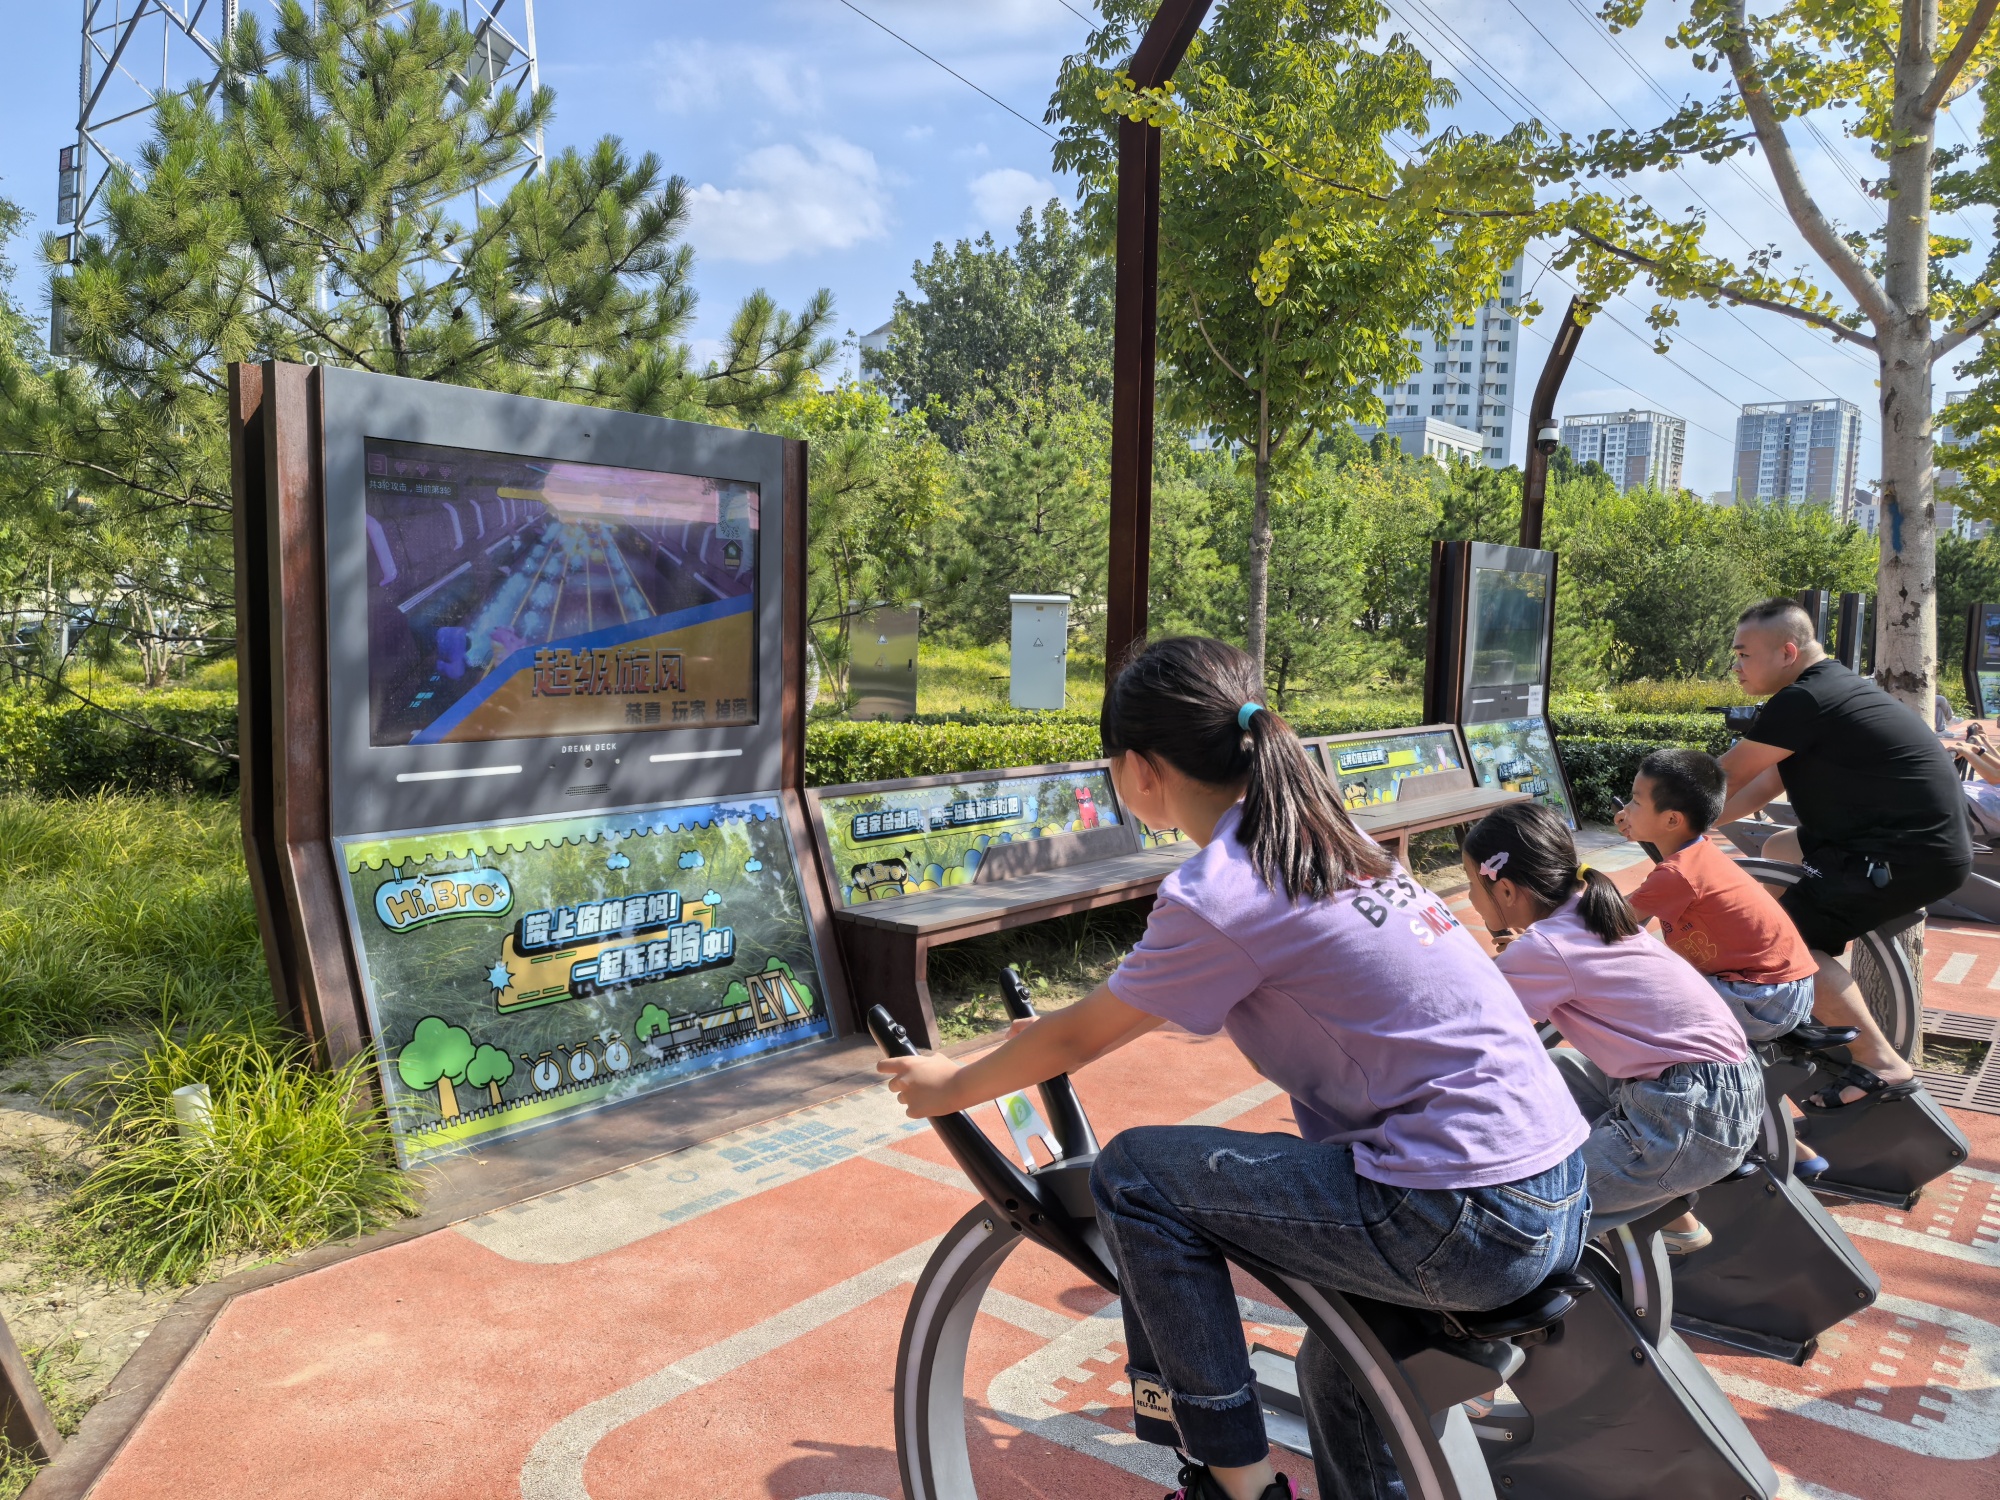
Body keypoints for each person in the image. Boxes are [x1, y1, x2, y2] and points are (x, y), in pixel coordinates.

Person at [879, 637, 1590, 1500]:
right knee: (1342, 1363)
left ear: (1141, 770)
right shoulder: (1334, 839)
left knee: (1137, 1175)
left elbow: (1078, 1040)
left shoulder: (1220, 885)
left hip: (1459, 1213)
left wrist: (947, 1083)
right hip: (1555, 1187)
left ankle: (1237, 1487)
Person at [1462, 802, 1763, 1256]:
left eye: (1470, 884)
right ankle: (1676, 1222)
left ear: (1504, 890)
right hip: (1721, 1091)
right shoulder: (1589, 909)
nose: (1468, 896)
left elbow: (1462, 1026)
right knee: (1560, 1065)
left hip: (1688, 1116)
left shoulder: (1544, 949)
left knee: (1514, 1218)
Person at [1720, 599, 1973, 1105]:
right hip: (1897, 842)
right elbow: (1766, 780)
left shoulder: (1803, 701)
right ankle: (1755, 961)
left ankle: (1881, 1063)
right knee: (1778, 845)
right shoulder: (1830, 687)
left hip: (1899, 856)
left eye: (1744, 654)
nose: (1736, 667)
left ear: (1787, 651)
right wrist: (1694, 822)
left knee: (1787, 949)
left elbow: (1721, 776)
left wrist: (1659, 808)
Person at [1614, 748, 1818, 1041]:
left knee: (1638, 996)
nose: (1626, 810)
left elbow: (1608, 918)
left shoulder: (1676, 874)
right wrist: (1639, 825)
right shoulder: (1698, 853)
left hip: (1763, 999)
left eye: (1635, 801)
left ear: (1672, 821)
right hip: (1782, 990)